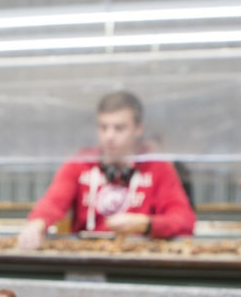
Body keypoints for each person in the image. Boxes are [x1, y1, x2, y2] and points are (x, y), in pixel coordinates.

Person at [16, 91, 196, 249]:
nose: (109, 136)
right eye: (103, 127)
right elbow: (53, 201)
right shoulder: (79, 163)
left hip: (139, 258)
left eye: (119, 128)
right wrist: (37, 223)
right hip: (87, 257)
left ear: (138, 129)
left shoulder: (158, 167)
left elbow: (184, 220)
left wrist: (145, 224)